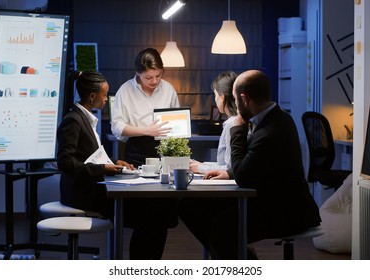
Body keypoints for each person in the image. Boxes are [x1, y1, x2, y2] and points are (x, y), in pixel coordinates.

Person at [179, 69, 321, 259]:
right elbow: (255, 164)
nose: (235, 106)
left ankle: (244, 261)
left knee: (221, 227)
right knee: (189, 207)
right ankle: (238, 256)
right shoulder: (276, 118)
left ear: (244, 99)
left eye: (236, 100)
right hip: (268, 198)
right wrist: (229, 172)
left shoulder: (270, 131)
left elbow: (244, 176)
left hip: (285, 209)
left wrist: (237, 129)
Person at [110, 48, 180, 259]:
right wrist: (145, 130)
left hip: (165, 152)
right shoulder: (125, 90)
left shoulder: (168, 89)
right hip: (137, 153)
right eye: (148, 77)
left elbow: (176, 120)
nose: (154, 81)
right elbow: (117, 128)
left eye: (158, 75)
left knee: (161, 219)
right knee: (142, 218)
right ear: (138, 73)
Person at [57, 70, 133, 219]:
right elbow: (65, 163)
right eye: (104, 95)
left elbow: (89, 155)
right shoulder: (73, 120)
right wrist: (103, 169)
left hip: (89, 190)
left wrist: (114, 161)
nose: (106, 99)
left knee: (144, 211)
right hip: (81, 194)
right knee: (142, 212)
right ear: (92, 96)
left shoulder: (85, 119)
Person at [189, 71, 238, 174]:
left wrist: (199, 168)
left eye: (215, 95)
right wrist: (201, 165)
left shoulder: (232, 124)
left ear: (222, 97)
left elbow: (230, 168)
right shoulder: (233, 121)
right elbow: (223, 165)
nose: (215, 99)